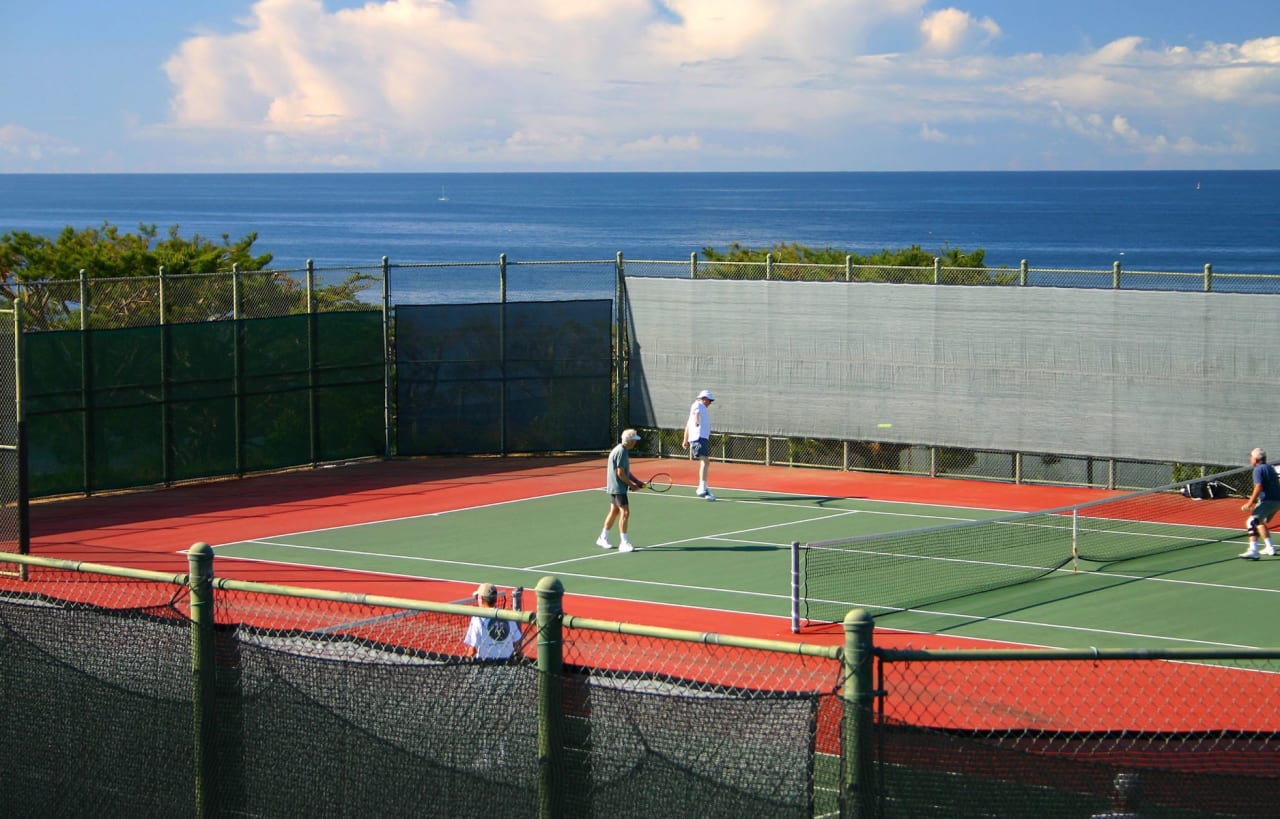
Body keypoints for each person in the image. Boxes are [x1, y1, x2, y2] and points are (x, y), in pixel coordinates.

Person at [598, 428, 644, 553]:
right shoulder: (622, 452)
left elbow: (625, 471)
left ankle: (603, 537)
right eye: (634, 440)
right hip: (618, 488)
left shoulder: (621, 450)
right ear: (630, 441)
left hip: (614, 487)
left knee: (614, 511)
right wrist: (632, 485)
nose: (635, 443)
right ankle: (624, 543)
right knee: (625, 513)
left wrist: (637, 481)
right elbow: (620, 473)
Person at [1239, 447, 1280, 559]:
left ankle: (1253, 550)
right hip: (1276, 501)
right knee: (1259, 522)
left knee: (1251, 522)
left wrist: (1250, 503)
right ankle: (1269, 547)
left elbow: (1258, 486)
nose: (1250, 459)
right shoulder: (1269, 468)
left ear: (1256, 459)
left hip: (1268, 501)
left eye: (1251, 457)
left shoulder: (1258, 470)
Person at [464, 583, 522, 659]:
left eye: (477, 597)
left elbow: (472, 650)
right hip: (507, 664)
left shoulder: (477, 619)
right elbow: (517, 642)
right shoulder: (508, 616)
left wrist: (466, 660)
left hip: (485, 664)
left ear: (481, 598)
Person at [683, 389, 716, 500]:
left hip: (701, 438)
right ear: (704, 399)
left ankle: (704, 488)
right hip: (699, 438)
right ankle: (702, 488)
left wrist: (685, 440)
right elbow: (696, 415)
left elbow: (687, 425)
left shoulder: (700, 408)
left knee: (706, 462)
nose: (710, 403)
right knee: (705, 461)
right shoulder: (698, 405)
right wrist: (697, 421)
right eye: (709, 400)